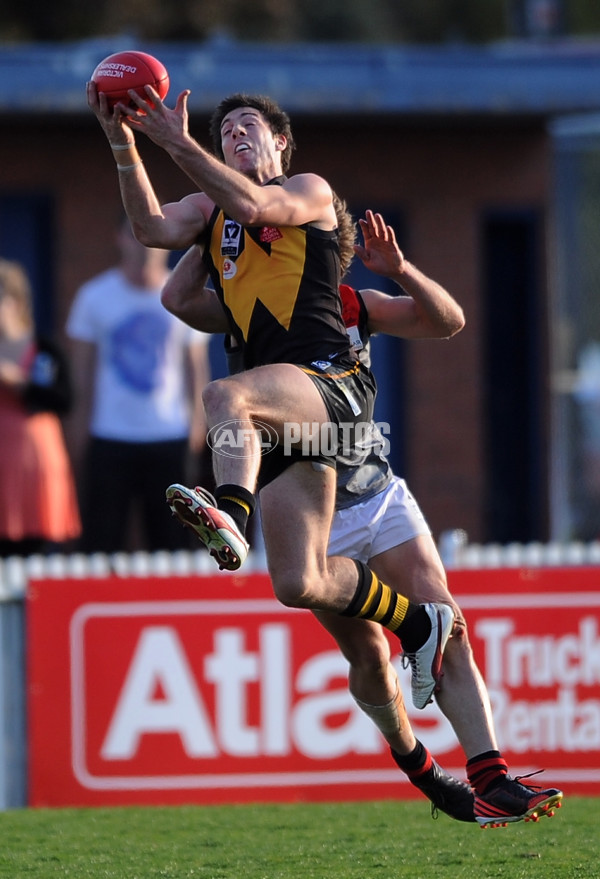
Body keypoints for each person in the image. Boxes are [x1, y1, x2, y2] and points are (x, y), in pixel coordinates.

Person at [87, 87, 457, 780]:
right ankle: (416, 630)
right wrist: (123, 142)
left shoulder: (305, 190)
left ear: (282, 143)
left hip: (329, 386)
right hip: (278, 410)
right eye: (225, 131)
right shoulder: (214, 212)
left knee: (223, 392)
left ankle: (231, 512)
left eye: (249, 125)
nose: (236, 135)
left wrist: (177, 140)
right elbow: (151, 231)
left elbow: (257, 206)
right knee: (297, 580)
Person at [160, 207, 563, 828]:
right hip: (308, 496)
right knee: (370, 659)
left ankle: (490, 777)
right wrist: (213, 231)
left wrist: (401, 268)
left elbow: (448, 320)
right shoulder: (244, 307)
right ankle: (425, 771)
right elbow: (179, 297)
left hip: (375, 488)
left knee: (448, 621)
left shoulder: (353, 305)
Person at [66, 217, 210, 554]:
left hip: (168, 437)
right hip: (109, 437)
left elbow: (196, 372)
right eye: (136, 235)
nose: (145, 246)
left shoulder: (183, 291)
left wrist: (195, 434)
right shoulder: (94, 297)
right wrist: (78, 436)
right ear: (120, 239)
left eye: (152, 237)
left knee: (172, 544)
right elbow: (80, 375)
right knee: (101, 540)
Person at [0, 258, 81, 557]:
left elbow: (65, 399)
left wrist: (19, 382)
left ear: (16, 302)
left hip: (33, 465)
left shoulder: (44, 349)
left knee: (35, 553)